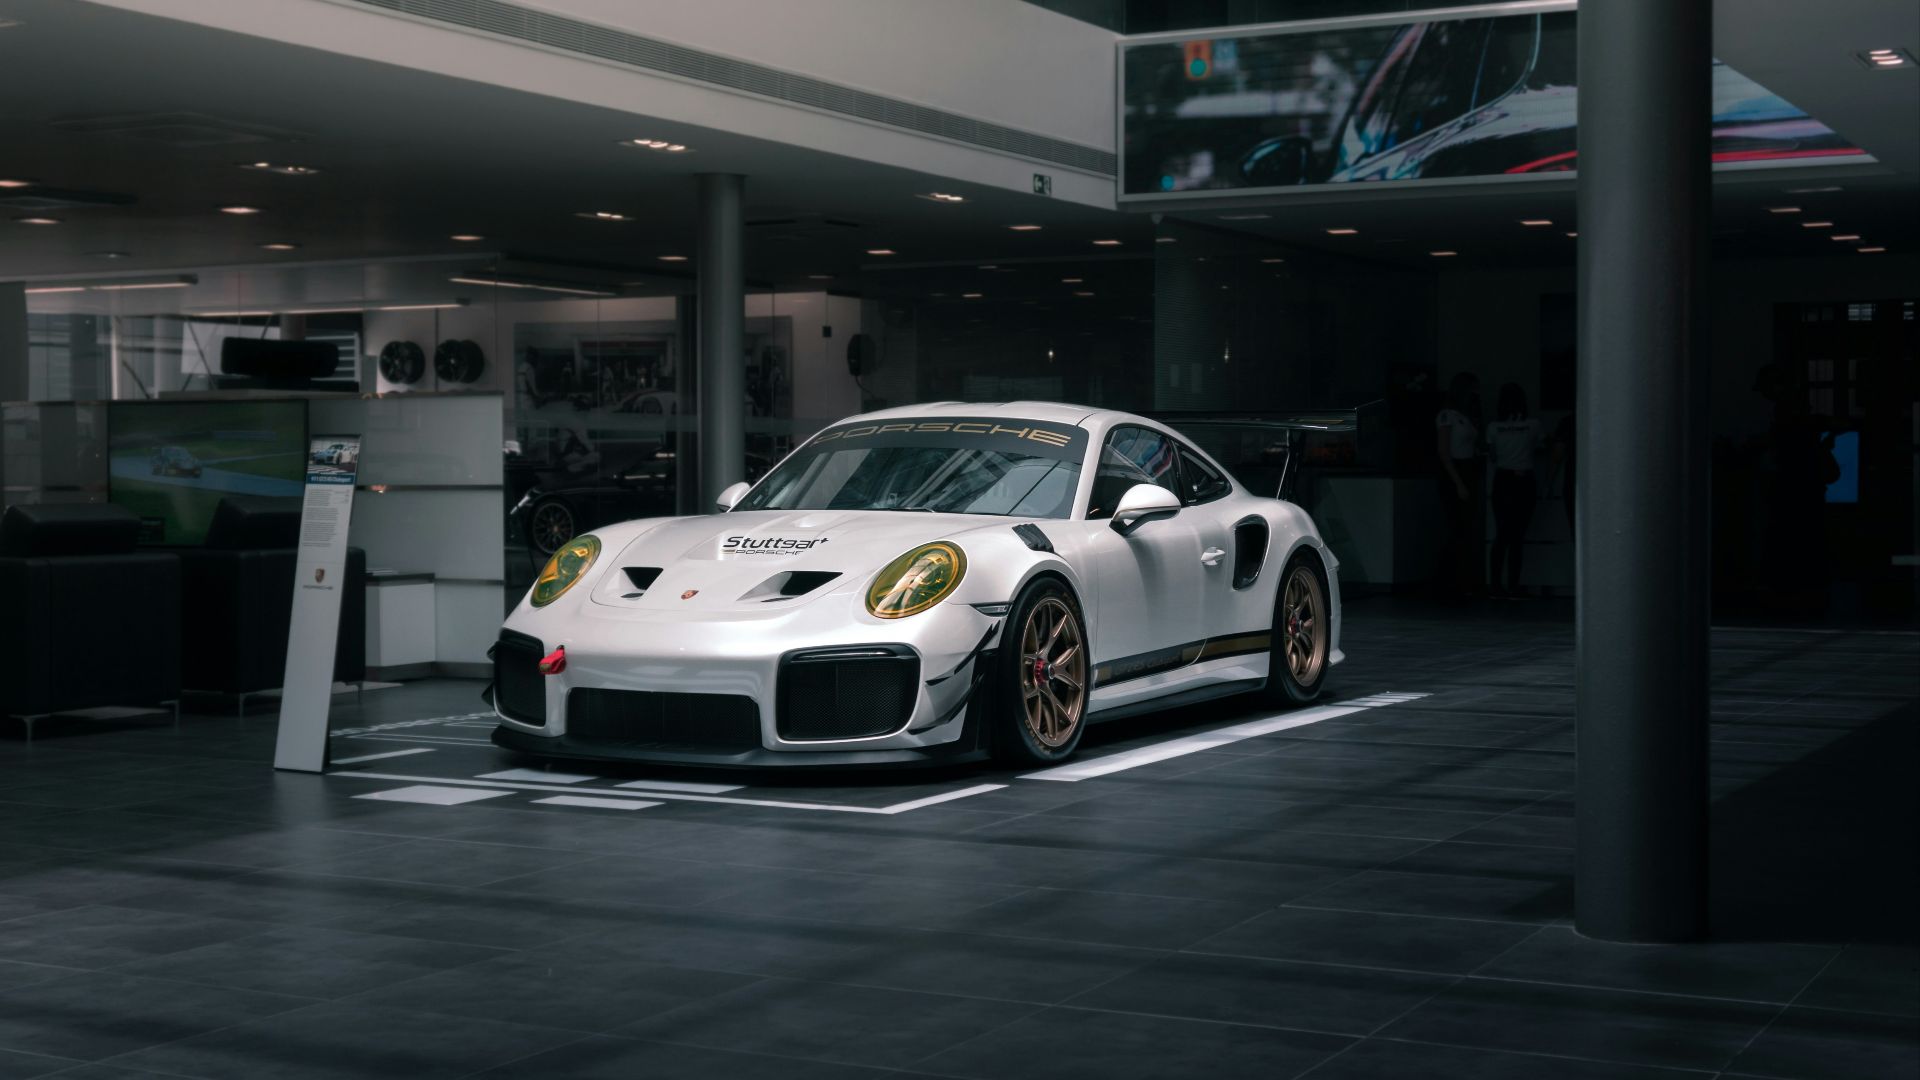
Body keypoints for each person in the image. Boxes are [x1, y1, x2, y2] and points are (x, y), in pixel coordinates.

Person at [1486, 383, 1541, 597]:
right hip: (1525, 480)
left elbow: (1492, 456)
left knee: (1502, 534)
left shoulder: (1494, 427)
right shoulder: (1533, 425)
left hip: (1503, 480)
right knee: (1518, 536)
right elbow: (1541, 446)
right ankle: (1514, 585)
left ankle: (1495, 585)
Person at [1434, 372, 1485, 599]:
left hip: (1468, 469)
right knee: (1458, 528)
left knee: (1467, 528)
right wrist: (1458, 482)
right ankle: (1453, 582)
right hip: (1455, 471)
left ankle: (1465, 580)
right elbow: (1444, 451)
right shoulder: (1448, 416)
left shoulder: (1466, 416)